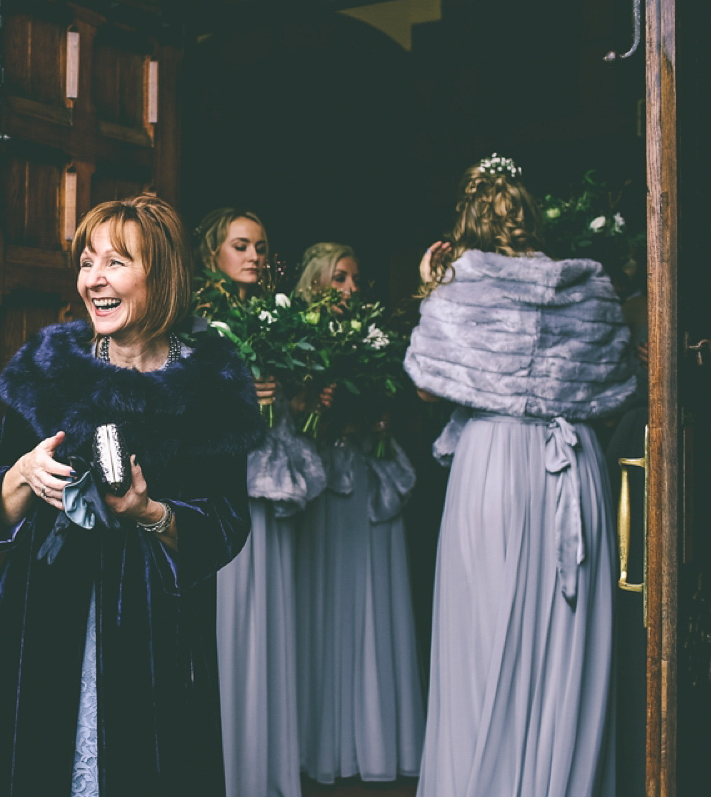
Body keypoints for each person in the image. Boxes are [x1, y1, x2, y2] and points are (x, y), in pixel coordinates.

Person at [0, 194, 265, 797]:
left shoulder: (210, 385)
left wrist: (149, 513)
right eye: (87, 261)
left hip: (153, 627)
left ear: (164, 274)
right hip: (39, 615)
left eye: (116, 262)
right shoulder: (50, 367)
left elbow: (226, 525)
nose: (94, 279)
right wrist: (23, 472)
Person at [404, 155, 636, 797]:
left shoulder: (460, 284)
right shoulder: (590, 289)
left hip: (494, 465)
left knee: (484, 626)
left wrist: (432, 287)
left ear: (468, 222)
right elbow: (619, 385)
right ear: (530, 217)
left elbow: (426, 384)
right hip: (572, 462)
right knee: (568, 637)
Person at [195, 208, 325, 797]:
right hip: (225, 486)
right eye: (239, 245)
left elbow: (291, 405)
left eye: (261, 247)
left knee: (272, 615)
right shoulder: (197, 320)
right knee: (230, 616)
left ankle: (266, 764)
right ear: (214, 252)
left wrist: (295, 393)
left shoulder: (279, 319)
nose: (252, 256)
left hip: (272, 483)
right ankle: (223, 763)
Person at [291, 242, 425, 786]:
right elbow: (291, 423)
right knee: (326, 601)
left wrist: (378, 418)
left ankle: (374, 735)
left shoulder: (371, 343)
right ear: (317, 283)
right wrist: (314, 406)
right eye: (340, 278)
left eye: (355, 279)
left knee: (373, 598)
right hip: (323, 483)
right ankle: (317, 739)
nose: (350, 288)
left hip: (366, 476)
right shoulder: (300, 340)